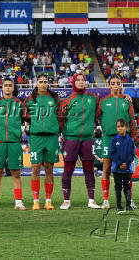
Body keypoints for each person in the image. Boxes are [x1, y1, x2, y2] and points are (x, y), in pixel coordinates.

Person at [58, 73, 101, 210]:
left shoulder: (93, 99)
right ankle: (66, 201)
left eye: (83, 80)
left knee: (89, 170)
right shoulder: (66, 101)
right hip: (71, 138)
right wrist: (66, 133)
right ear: (73, 82)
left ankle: (91, 200)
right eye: (78, 80)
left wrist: (125, 96)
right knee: (68, 170)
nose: (81, 82)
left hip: (88, 139)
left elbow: (101, 111)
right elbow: (60, 119)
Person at [96, 75, 138, 209]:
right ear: (109, 85)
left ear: (121, 85)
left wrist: (135, 138)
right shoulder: (102, 102)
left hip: (125, 139)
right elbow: (96, 116)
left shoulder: (126, 101)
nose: (115, 85)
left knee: (127, 170)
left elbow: (132, 120)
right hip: (108, 138)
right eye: (113, 83)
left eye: (117, 83)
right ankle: (106, 200)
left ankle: (129, 200)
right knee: (106, 169)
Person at [23, 74, 60, 210]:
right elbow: (25, 116)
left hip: (51, 138)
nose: (43, 84)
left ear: (48, 84)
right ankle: (36, 201)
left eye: (45, 82)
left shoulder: (55, 98)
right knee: (36, 168)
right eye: (41, 82)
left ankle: (48, 201)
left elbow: (60, 116)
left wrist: (55, 128)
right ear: (36, 83)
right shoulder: (30, 99)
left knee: (49, 168)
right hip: (36, 138)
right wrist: (36, 125)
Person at [0, 78, 26, 211]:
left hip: (14, 142)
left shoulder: (20, 103)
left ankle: (19, 202)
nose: (8, 88)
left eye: (10, 85)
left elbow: (24, 118)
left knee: (16, 173)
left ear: (13, 88)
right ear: (2, 88)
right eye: (6, 85)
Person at [110, 119, 135, 211]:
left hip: (127, 169)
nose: (120, 129)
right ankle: (119, 206)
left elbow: (132, 154)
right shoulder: (113, 140)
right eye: (118, 127)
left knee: (127, 187)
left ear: (126, 128)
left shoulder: (130, 140)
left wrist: (127, 164)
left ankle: (128, 205)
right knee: (118, 187)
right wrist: (120, 163)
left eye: (122, 126)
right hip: (117, 169)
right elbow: (112, 154)